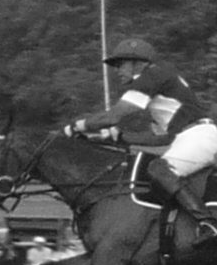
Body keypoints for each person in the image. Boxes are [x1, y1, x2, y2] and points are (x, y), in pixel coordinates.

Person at [66, 38, 217, 240]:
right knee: (155, 170)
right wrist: (119, 137)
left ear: (138, 62)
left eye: (121, 65)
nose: (117, 71)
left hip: (199, 136)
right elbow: (160, 140)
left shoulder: (151, 75)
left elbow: (113, 116)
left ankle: (207, 223)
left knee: (158, 169)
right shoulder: (160, 85)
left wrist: (76, 126)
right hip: (189, 137)